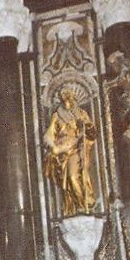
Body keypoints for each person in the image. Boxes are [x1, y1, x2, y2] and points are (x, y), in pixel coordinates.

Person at [42, 87, 98, 216]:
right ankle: (77, 205)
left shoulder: (81, 113)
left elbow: (92, 134)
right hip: (63, 151)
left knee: (73, 177)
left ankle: (85, 204)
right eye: (64, 96)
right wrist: (53, 146)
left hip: (77, 148)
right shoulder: (57, 115)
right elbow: (49, 135)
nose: (67, 98)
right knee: (68, 179)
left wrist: (87, 126)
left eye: (69, 96)